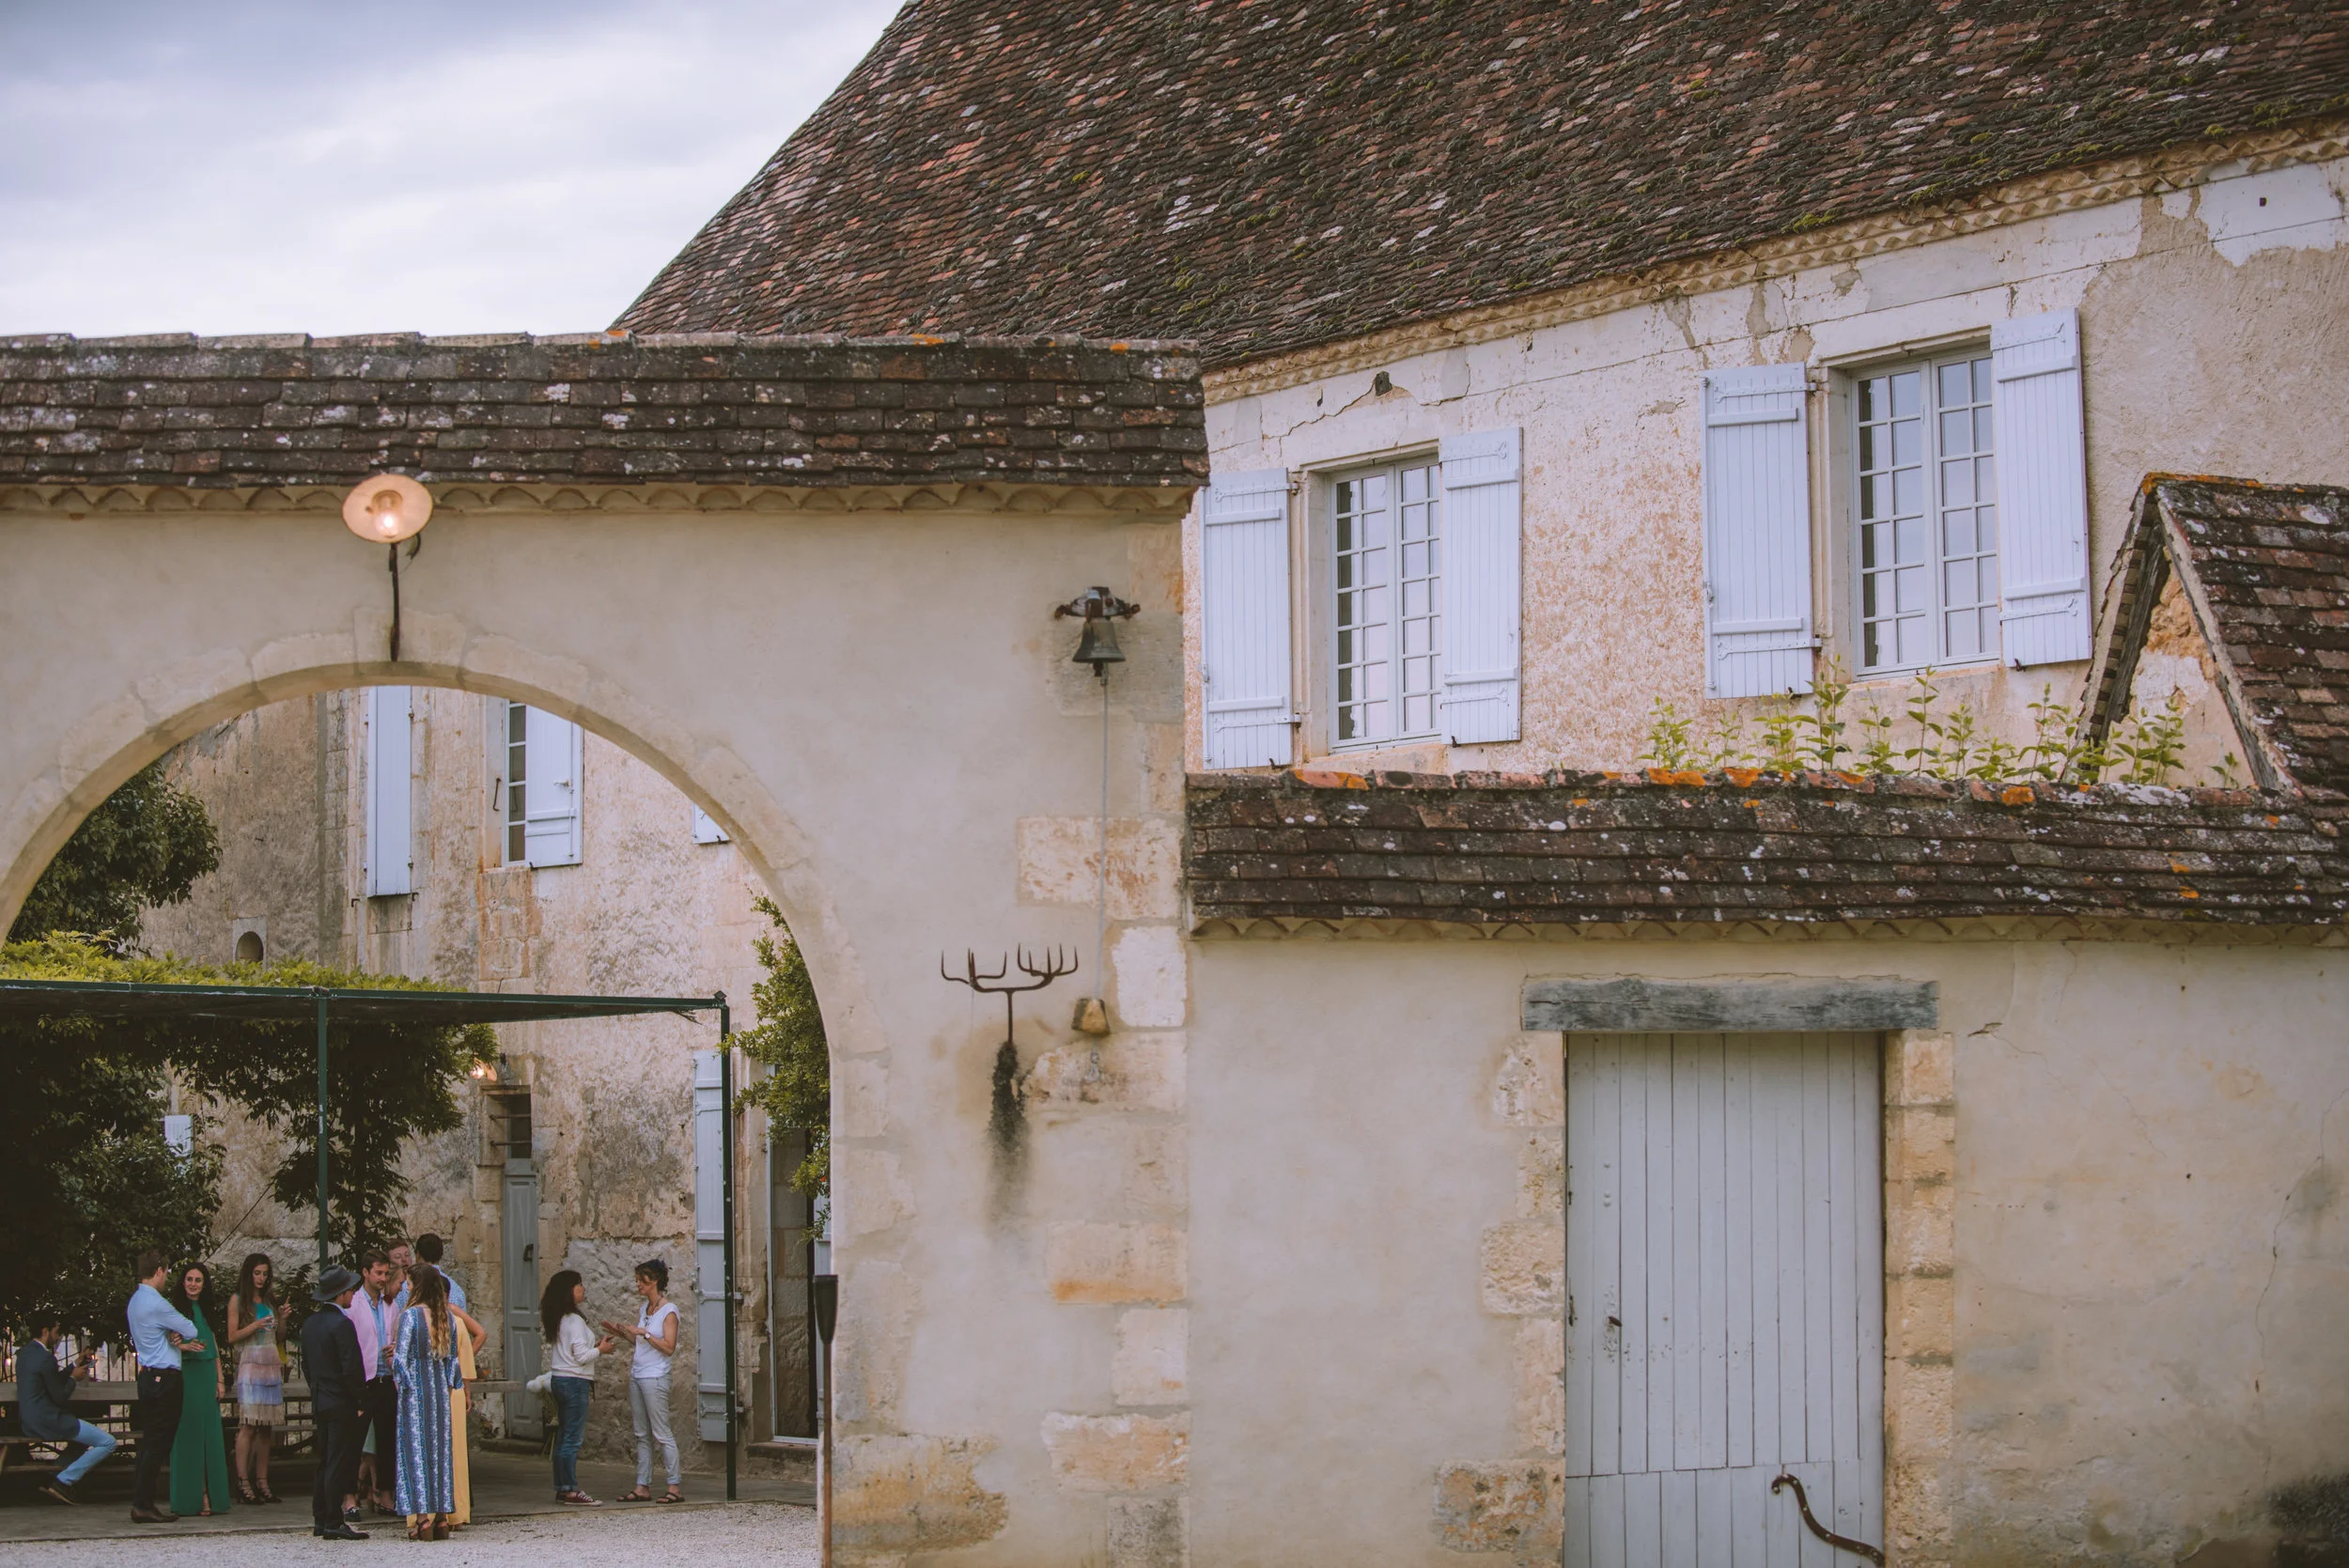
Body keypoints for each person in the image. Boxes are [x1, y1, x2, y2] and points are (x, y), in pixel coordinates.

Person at [126, 1249, 199, 1524]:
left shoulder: (135, 1301)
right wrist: (174, 1332)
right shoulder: (157, 1303)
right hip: (164, 1378)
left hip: (147, 1375)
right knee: (158, 1444)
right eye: (166, 1272)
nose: (167, 1277)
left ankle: (141, 1501)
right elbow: (190, 1330)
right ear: (159, 1270)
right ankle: (142, 1504)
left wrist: (168, 1333)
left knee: (149, 1442)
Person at [601, 1259, 684, 1503]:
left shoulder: (669, 1311)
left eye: (642, 1279)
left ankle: (674, 1487)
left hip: (656, 1376)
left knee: (661, 1432)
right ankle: (642, 1486)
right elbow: (641, 1344)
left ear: (654, 1280)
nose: (637, 1284)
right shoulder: (644, 1309)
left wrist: (644, 1333)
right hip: (638, 1374)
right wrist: (623, 1333)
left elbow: (668, 1347)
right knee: (641, 1433)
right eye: (637, 1279)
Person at [15, 1315, 117, 1505]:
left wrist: (73, 1366)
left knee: (82, 1441)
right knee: (108, 1442)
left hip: (29, 1419)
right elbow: (60, 1397)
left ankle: (52, 1476)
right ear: (45, 1331)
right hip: (48, 1419)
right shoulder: (46, 1358)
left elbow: (49, 1380)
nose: (58, 1336)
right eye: (56, 1332)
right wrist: (73, 1379)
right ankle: (64, 1481)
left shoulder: (25, 1354)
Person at [301, 1265, 370, 1542]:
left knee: (325, 1459)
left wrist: (317, 1389)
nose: (352, 1294)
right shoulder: (342, 1324)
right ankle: (333, 1520)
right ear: (340, 1294)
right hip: (341, 1401)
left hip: (321, 1398)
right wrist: (360, 1398)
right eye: (350, 1290)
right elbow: (351, 1367)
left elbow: (306, 1365)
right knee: (338, 1461)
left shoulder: (310, 1324)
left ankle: (321, 1518)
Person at [392, 1264, 460, 1540]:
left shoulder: (410, 1317)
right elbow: (452, 1362)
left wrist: (403, 1387)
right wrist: (447, 1389)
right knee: (440, 1454)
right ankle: (442, 1518)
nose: (406, 1287)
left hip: (415, 1394)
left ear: (418, 1286)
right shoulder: (447, 1317)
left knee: (416, 1452)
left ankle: (422, 1520)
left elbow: (401, 1360)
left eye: (409, 1283)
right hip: (440, 1395)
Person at [540, 1270, 618, 1505]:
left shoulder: (561, 1318)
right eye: (578, 1285)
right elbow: (581, 1357)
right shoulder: (574, 1320)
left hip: (560, 1379)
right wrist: (601, 1350)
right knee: (572, 1439)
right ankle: (571, 1490)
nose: (583, 1289)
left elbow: (573, 1351)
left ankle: (562, 1487)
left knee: (563, 1435)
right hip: (574, 1381)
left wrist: (596, 1346)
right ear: (569, 1290)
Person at [167, 1262, 232, 1517]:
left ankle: (212, 1496)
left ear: (204, 1285)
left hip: (206, 1376)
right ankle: (196, 1495)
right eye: (189, 1279)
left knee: (210, 1437)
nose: (193, 1284)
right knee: (188, 1436)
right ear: (182, 1282)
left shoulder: (205, 1310)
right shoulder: (173, 1310)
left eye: (198, 1280)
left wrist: (220, 1379)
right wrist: (183, 1346)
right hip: (186, 1375)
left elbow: (213, 1346)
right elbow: (168, 1343)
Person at [225, 1251, 286, 1504]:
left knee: (266, 1426)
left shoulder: (269, 1300)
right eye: (257, 1273)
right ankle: (243, 1480)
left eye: (265, 1274)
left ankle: (262, 1480)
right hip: (251, 1361)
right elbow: (232, 1336)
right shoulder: (238, 1300)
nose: (261, 1278)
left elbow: (279, 1336)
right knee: (249, 1423)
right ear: (249, 1274)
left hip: (270, 1362)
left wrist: (283, 1319)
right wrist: (255, 1325)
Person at [344, 1250, 400, 1515]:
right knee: (355, 1440)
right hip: (364, 1379)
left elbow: (396, 1334)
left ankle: (385, 1493)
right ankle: (350, 1496)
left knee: (388, 1439)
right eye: (378, 1273)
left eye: (386, 1274)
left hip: (386, 1378)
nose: (383, 1278)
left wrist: (395, 1347)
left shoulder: (391, 1305)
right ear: (365, 1273)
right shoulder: (354, 1304)